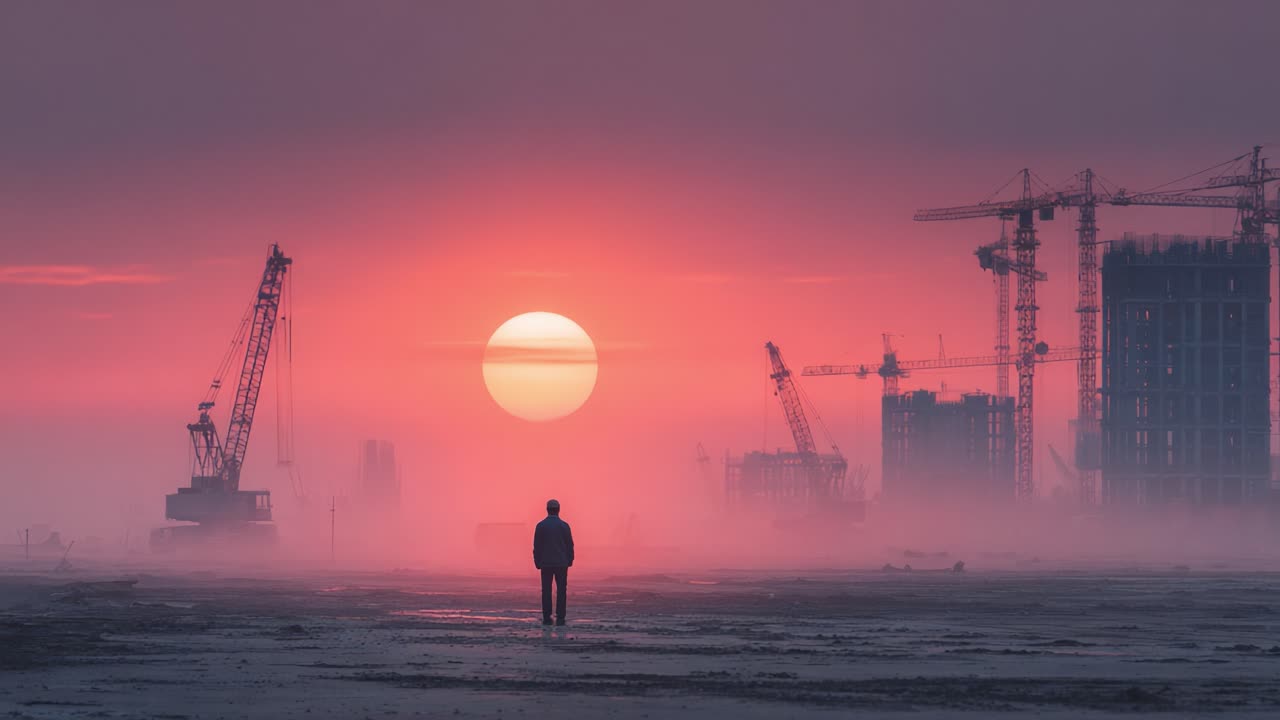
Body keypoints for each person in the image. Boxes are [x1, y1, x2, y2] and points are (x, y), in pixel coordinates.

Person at [532, 498, 574, 626]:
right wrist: (570, 560)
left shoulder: (540, 526)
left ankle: (547, 616)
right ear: (558, 510)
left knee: (546, 590)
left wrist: (537, 562)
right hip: (561, 563)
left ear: (547, 510)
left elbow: (537, 546)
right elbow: (569, 545)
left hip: (546, 563)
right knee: (561, 590)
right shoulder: (564, 526)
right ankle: (560, 616)